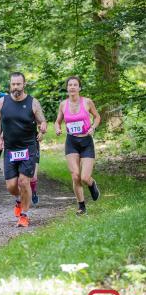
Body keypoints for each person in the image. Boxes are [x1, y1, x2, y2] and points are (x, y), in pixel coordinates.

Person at [0, 72, 47, 227]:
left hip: (28, 147)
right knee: (11, 186)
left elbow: (42, 121)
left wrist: (42, 129)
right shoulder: (2, 102)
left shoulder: (33, 102)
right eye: (13, 84)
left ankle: (24, 215)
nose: (15, 87)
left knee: (24, 182)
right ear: (10, 85)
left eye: (18, 84)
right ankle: (19, 200)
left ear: (24, 84)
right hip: (10, 148)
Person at [55, 75, 101, 215]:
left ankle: (92, 184)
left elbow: (97, 117)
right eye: (70, 85)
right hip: (72, 141)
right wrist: (57, 128)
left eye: (75, 85)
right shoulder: (63, 104)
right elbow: (57, 121)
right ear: (67, 88)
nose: (72, 87)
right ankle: (81, 206)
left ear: (79, 88)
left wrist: (93, 127)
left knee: (84, 178)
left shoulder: (87, 102)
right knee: (75, 175)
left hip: (86, 141)